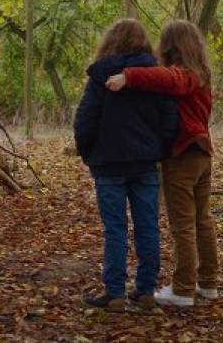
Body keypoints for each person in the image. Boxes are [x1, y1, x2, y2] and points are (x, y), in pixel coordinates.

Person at [105, 19, 219, 307]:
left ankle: (182, 290)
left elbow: (169, 79)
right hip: (202, 153)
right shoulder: (202, 73)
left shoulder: (185, 75)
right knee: (202, 221)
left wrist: (128, 76)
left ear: (170, 46)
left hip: (184, 155)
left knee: (184, 224)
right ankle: (207, 283)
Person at [74, 19, 179, 313]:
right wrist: (160, 150)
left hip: (108, 164)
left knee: (115, 228)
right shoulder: (156, 77)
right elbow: (169, 119)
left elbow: (85, 119)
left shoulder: (101, 76)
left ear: (111, 41)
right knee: (147, 226)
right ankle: (145, 291)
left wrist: (88, 153)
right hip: (145, 163)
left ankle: (116, 292)